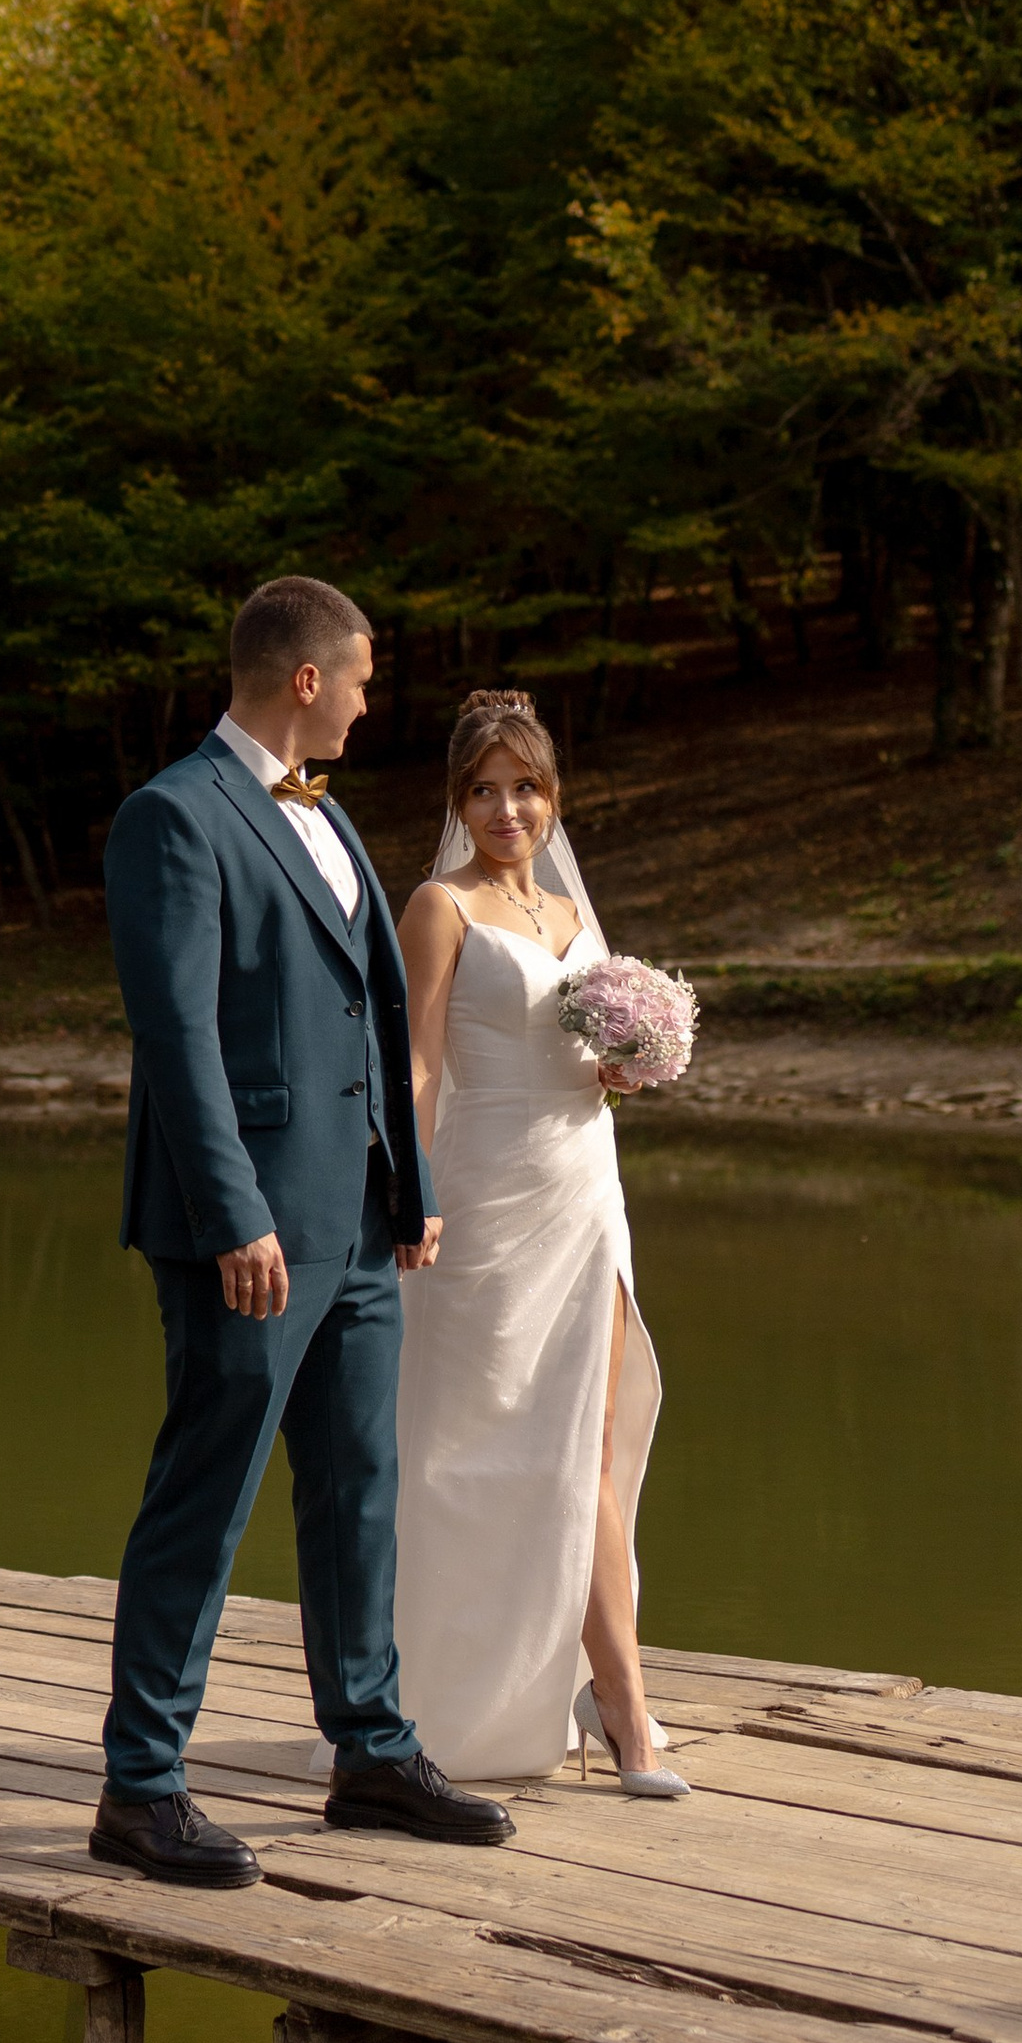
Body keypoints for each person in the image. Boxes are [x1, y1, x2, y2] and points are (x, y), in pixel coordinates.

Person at [93, 577, 517, 1887]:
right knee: (205, 1498)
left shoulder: (327, 818)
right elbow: (177, 1039)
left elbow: (367, 1024)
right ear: (306, 681)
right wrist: (237, 1216)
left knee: (358, 1494)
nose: (377, 698)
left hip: (358, 1217)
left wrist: (411, 1184)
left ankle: (371, 1751)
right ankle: (141, 1786)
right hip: (253, 1231)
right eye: (367, 676)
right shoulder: (173, 818)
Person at [390, 690, 690, 1799]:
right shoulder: (438, 907)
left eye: (523, 786)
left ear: (552, 796)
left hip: (583, 1193)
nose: (505, 807)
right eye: (482, 789)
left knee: (595, 1444)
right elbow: (418, 1065)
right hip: (478, 1202)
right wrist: (405, 1191)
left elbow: (586, 1051)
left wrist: (626, 1062)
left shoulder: (573, 919)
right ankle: (507, 1696)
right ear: (457, 802)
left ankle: (617, 1699)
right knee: (471, 1455)